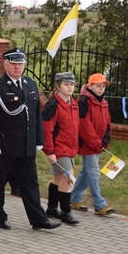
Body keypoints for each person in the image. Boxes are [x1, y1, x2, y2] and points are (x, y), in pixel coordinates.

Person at [0, 48, 61, 231]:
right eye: (14, 63)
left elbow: (36, 116)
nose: (18, 67)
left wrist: (38, 139)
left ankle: (38, 219)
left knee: (31, 184)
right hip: (5, 145)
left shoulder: (30, 84)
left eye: (20, 63)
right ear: (5, 64)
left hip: (26, 145)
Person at [70, 73, 117, 216]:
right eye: (98, 86)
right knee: (94, 171)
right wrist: (96, 143)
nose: (101, 89)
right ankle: (99, 204)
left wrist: (105, 139)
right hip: (88, 144)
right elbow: (85, 126)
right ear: (90, 86)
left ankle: (74, 198)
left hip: (98, 144)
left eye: (103, 86)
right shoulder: (83, 101)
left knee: (87, 172)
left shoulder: (103, 101)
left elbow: (107, 122)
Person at [42, 72, 80, 225]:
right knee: (68, 179)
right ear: (58, 86)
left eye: (72, 84)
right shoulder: (53, 105)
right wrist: (49, 151)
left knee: (58, 178)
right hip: (59, 148)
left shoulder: (73, 103)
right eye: (66, 84)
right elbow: (47, 129)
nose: (70, 87)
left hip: (70, 148)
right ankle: (66, 211)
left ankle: (51, 208)